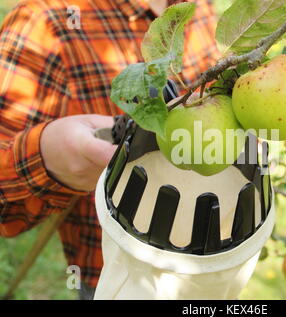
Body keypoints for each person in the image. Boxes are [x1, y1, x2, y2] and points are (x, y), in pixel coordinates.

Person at [0, 0, 221, 299]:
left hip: (211, 262)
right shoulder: (47, 21)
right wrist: (47, 156)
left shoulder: (198, 8)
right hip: (119, 277)